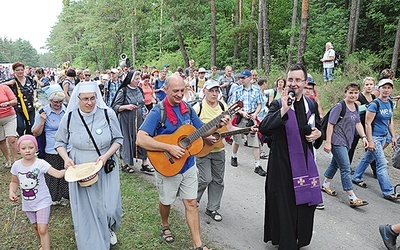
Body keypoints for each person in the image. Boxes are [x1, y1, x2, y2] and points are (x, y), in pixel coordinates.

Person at [137, 74, 227, 250]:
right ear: (166, 90)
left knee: (191, 203)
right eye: (175, 91)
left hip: (188, 165)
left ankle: (198, 245)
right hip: (167, 165)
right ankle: (164, 223)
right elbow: (140, 139)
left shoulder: (187, 108)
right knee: (166, 201)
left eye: (182, 90)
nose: (179, 94)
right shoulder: (158, 111)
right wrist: (169, 148)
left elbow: (201, 130)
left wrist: (218, 124)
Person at [259, 63, 323, 249]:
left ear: (305, 82)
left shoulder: (310, 103)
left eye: (298, 80)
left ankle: (300, 237)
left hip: (305, 161)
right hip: (282, 163)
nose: (294, 84)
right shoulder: (279, 103)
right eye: (291, 80)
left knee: (304, 202)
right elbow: (264, 128)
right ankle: (286, 241)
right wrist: (284, 110)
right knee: (285, 202)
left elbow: (318, 127)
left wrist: (319, 134)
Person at [54, 82, 123, 248]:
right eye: (85, 99)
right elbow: (59, 142)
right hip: (81, 167)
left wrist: (106, 156)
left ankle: (109, 227)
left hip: (105, 165)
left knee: (110, 207)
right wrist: (66, 158)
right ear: (78, 99)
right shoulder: (69, 117)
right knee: (88, 208)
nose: (89, 102)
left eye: (92, 98)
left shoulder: (108, 114)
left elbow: (118, 139)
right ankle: (92, 242)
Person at [9, 135, 66, 250]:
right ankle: (43, 245)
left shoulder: (41, 163)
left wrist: (69, 169)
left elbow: (58, 174)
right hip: (28, 204)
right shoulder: (16, 166)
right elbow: (14, 181)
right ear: (19, 150)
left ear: (36, 148)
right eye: (24, 148)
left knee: (42, 228)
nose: (28, 150)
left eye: (31, 147)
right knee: (35, 227)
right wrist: (12, 191)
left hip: (42, 202)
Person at [322, 83, 369, 208]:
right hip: (337, 141)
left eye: (355, 93)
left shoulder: (356, 107)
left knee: (335, 164)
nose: (353, 95)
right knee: (345, 167)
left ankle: (325, 184)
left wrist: (364, 137)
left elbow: (358, 123)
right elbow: (330, 124)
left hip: (348, 141)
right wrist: (328, 142)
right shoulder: (339, 106)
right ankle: (352, 196)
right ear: (345, 93)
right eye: (351, 93)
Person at [352, 78, 399, 201]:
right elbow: (367, 124)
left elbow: (390, 121)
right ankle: (388, 191)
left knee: (368, 157)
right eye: (384, 87)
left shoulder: (389, 102)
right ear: (379, 89)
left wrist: (393, 136)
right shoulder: (374, 104)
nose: (386, 90)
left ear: (391, 89)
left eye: (389, 88)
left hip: (384, 136)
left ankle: (356, 177)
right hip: (375, 137)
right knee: (382, 164)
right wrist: (370, 141)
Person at [193, 80, 228, 222]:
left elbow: (228, 128)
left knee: (218, 180)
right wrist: (205, 138)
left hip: (218, 149)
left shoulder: (222, 106)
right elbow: (191, 130)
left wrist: (246, 130)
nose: (214, 94)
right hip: (202, 149)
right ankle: (192, 200)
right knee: (205, 178)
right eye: (211, 91)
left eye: (216, 91)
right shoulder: (197, 107)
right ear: (204, 91)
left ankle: (212, 208)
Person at [32, 85, 69, 206]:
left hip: (67, 147)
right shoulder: (43, 111)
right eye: (55, 102)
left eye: (60, 101)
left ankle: (66, 196)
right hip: (50, 147)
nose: (58, 104)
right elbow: (35, 132)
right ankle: (52, 197)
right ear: (50, 101)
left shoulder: (67, 110)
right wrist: (42, 121)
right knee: (52, 174)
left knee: (66, 172)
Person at [111, 71, 153, 174]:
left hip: (138, 118)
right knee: (127, 141)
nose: (138, 81)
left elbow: (142, 103)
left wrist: (145, 111)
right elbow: (115, 107)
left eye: (139, 79)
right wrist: (126, 106)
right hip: (126, 120)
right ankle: (125, 164)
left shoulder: (139, 89)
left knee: (141, 138)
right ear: (130, 79)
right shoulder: (123, 91)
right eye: (136, 79)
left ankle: (144, 163)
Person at [229, 69, 266, 177]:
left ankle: (257, 165)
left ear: (250, 78)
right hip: (241, 117)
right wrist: (241, 112)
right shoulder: (237, 90)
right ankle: (234, 156)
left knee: (255, 141)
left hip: (252, 118)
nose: (241, 80)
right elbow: (234, 105)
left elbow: (260, 104)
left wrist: (255, 114)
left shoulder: (256, 90)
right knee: (237, 139)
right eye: (240, 78)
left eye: (243, 78)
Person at [348, 77, 377, 175]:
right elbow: (354, 111)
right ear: (363, 86)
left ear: (374, 85)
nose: (369, 86)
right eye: (367, 84)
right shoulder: (359, 97)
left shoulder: (374, 98)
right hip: (358, 126)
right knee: (352, 147)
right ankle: (346, 167)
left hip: (369, 126)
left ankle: (376, 171)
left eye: (371, 84)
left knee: (370, 148)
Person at [2, 62, 37, 136]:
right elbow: (1, 85)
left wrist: (35, 97)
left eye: (21, 70)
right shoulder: (12, 80)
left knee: (31, 125)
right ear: (14, 71)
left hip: (30, 106)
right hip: (18, 107)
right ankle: (20, 139)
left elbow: (34, 89)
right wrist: (8, 83)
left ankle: (28, 140)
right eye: (17, 70)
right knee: (20, 126)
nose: (20, 72)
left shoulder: (29, 78)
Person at [0, 83, 18, 168]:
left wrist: (8, 103)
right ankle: (8, 160)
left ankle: (16, 161)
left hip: (9, 117)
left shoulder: (4, 88)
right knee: (1, 141)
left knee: (12, 139)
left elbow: (15, 101)